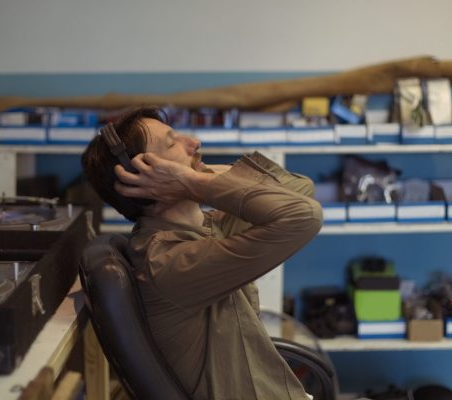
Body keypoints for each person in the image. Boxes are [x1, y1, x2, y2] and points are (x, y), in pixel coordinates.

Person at [82, 107, 323, 399]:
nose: (194, 143)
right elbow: (303, 217)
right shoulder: (169, 262)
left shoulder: (204, 229)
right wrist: (192, 182)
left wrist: (194, 174)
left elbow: (299, 188)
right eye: (173, 143)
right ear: (142, 176)